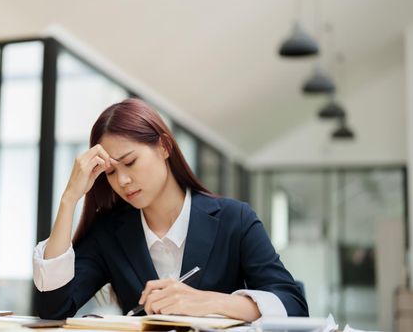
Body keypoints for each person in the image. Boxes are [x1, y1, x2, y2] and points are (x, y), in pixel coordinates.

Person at [33, 98, 308, 321]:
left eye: (130, 162)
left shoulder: (234, 219)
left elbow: (293, 305)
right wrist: (69, 199)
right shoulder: (110, 232)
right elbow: (54, 308)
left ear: (164, 147)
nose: (122, 181)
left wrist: (206, 302)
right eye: (111, 172)